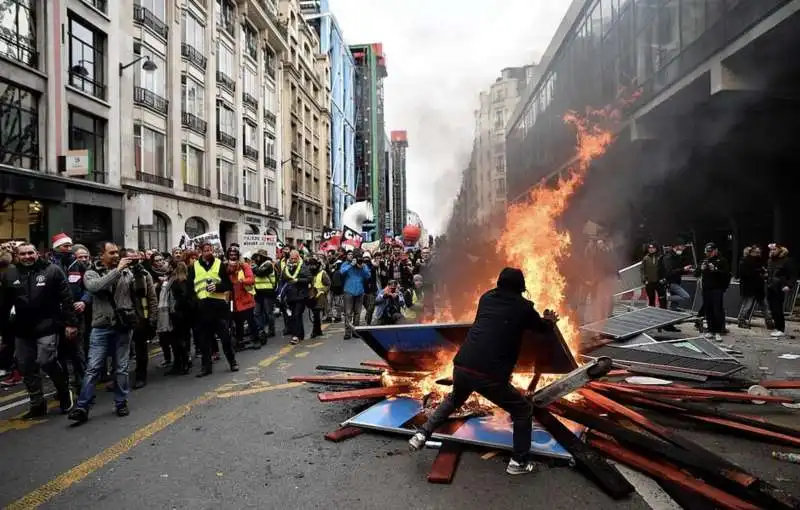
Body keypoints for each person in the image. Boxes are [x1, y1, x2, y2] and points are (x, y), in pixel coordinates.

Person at [408, 268, 555, 475]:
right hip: (489, 374)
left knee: (454, 399)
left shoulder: (486, 298)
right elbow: (542, 328)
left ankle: (422, 434)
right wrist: (549, 320)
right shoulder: (523, 307)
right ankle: (518, 462)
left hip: (462, 364)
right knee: (522, 410)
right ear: (521, 288)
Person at [0, 243, 77, 418]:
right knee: (25, 366)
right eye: (23, 254)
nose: (27, 256)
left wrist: (70, 324)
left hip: (47, 325)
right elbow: (4, 306)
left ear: (37, 253)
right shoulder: (10, 274)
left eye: (30, 253)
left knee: (46, 360)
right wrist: (5, 333)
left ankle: (64, 392)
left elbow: (66, 298)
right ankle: (37, 404)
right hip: (21, 329)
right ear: (17, 256)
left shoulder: (52, 270)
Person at [69, 242, 141, 422]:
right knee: (93, 368)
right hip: (101, 327)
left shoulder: (126, 271)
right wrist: (117, 270)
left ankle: (121, 402)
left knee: (121, 368)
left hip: (122, 325)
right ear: (101, 255)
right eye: (112, 253)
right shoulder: (91, 272)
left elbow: (137, 292)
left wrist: (139, 269)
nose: (116, 255)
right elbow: (96, 287)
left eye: (117, 252)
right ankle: (82, 407)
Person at [188, 241, 239, 377]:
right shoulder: (194, 266)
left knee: (225, 337)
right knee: (204, 340)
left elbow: (228, 285)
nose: (208, 252)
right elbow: (190, 287)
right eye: (205, 250)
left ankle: (232, 361)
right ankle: (206, 367)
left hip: (218, 306)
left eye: (210, 250)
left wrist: (217, 287)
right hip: (202, 307)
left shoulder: (219, 264)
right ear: (201, 252)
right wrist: (195, 302)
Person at [156, 260, 195, 375]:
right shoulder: (174, 280)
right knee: (178, 341)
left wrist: (177, 309)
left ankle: (183, 363)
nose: (164, 265)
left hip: (179, 315)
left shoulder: (176, 281)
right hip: (180, 314)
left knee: (178, 340)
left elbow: (182, 298)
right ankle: (180, 363)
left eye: (166, 265)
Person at [225, 245, 260, 350]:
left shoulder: (244, 266)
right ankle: (240, 341)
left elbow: (251, 279)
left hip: (246, 299)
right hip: (233, 301)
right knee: (237, 322)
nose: (232, 256)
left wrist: (242, 280)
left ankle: (256, 339)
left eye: (234, 254)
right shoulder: (225, 267)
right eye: (230, 254)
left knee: (251, 321)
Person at [695, 243, 730, 342]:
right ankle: (710, 329)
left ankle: (718, 331)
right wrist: (701, 269)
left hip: (717, 289)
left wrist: (715, 269)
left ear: (715, 250)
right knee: (708, 310)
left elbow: (726, 274)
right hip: (706, 289)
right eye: (707, 252)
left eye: (710, 252)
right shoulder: (704, 261)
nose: (708, 254)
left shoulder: (722, 260)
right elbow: (696, 273)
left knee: (717, 310)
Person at [737, 245, 772, 329]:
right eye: (757, 252)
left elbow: (762, 272)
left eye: (759, 252)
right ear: (752, 252)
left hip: (758, 287)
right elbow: (744, 273)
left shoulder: (759, 261)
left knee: (764, 304)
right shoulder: (745, 261)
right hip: (749, 287)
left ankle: (769, 321)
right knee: (747, 305)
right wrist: (758, 272)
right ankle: (741, 320)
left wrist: (764, 274)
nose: (759, 254)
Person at [281, 250, 311, 344]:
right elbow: (283, 278)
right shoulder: (287, 266)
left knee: (296, 314)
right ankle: (300, 334)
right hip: (290, 295)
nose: (293, 260)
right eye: (291, 258)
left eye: (295, 258)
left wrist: (297, 280)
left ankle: (296, 335)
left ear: (298, 258)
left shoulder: (303, 266)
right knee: (293, 316)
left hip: (301, 295)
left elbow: (309, 279)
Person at [340, 251, 371, 340]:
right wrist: (351, 265)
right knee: (348, 313)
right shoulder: (347, 264)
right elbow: (341, 272)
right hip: (348, 291)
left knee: (357, 313)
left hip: (360, 292)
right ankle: (347, 332)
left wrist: (362, 267)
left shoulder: (363, 265)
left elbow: (368, 276)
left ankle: (356, 331)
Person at [766, 243, 794, 338]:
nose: (773, 251)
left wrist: (789, 286)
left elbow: (792, 275)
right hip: (770, 286)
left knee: (778, 308)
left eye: (775, 249)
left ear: (780, 249)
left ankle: (780, 329)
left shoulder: (786, 260)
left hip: (780, 286)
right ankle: (777, 327)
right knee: (772, 308)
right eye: (771, 250)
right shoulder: (770, 260)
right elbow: (769, 274)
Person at [252, 250, 277, 340]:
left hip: (268, 292)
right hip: (258, 292)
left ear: (263, 257)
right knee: (257, 312)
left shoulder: (268, 264)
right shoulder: (259, 264)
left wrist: (254, 267)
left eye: (259, 256)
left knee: (268, 312)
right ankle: (260, 329)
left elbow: (260, 273)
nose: (257, 258)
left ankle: (271, 330)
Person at [307, 257, 330, 338]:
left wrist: (322, 290)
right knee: (314, 315)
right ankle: (318, 330)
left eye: (313, 265)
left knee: (316, 314)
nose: (312, 267)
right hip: (311, 296)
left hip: (320, 297)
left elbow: (328, 284)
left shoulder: (322, 273)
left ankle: (315, 331)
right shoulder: (309, 274)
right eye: (310, 265)